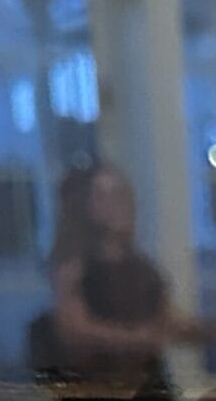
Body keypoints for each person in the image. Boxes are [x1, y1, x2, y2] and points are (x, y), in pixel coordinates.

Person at [28, 160, 198, 383]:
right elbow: (74, 329)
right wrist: (138, 338)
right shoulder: (73, 266)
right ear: (83, 205)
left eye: (121, 194)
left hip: (146, 391)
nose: (118, 204)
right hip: (96, 392)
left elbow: (170, 320)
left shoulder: (142, 267)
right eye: (103, 197)